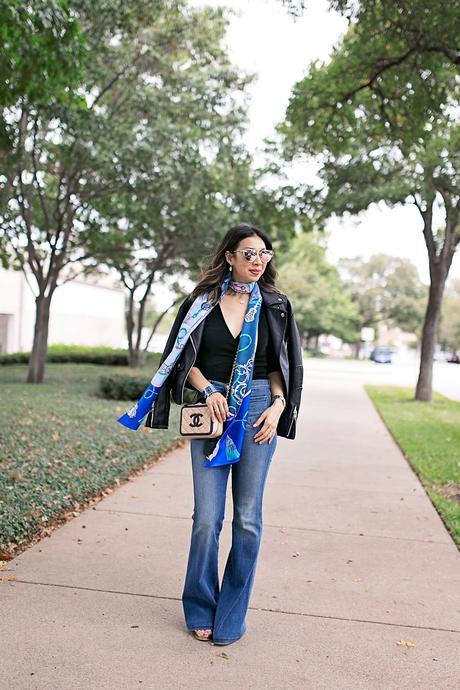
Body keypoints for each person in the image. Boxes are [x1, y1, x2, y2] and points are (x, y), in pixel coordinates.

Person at [117, 223, 303, 646]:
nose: (258, 261)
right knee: (206, 519)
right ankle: (200, 606)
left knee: (249, 520)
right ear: (230, 257)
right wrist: (207, 389)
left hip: (258, 411)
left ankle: (231, 614)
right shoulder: (201, 303)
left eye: (264, 254)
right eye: (250, 253)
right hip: (212, 409)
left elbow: (281, 366)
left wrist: (278, 405)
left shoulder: (276, 305)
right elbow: (185, 358)